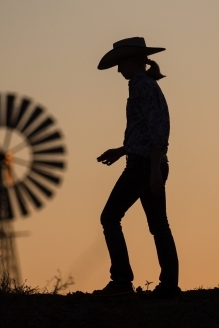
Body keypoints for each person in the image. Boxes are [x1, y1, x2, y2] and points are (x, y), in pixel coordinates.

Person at [93, 37, 180, 299]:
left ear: (130, 61)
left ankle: (121, 281)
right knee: (158, 224)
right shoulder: (143, 85)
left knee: (110, 217)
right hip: (147, 163)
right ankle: (169, 286)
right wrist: (122, 151)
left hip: (144, 166)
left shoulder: (142, 86)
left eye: (120, 63)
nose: (118, 69)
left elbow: (158, 129)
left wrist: (154, 170)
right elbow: (148, 131)